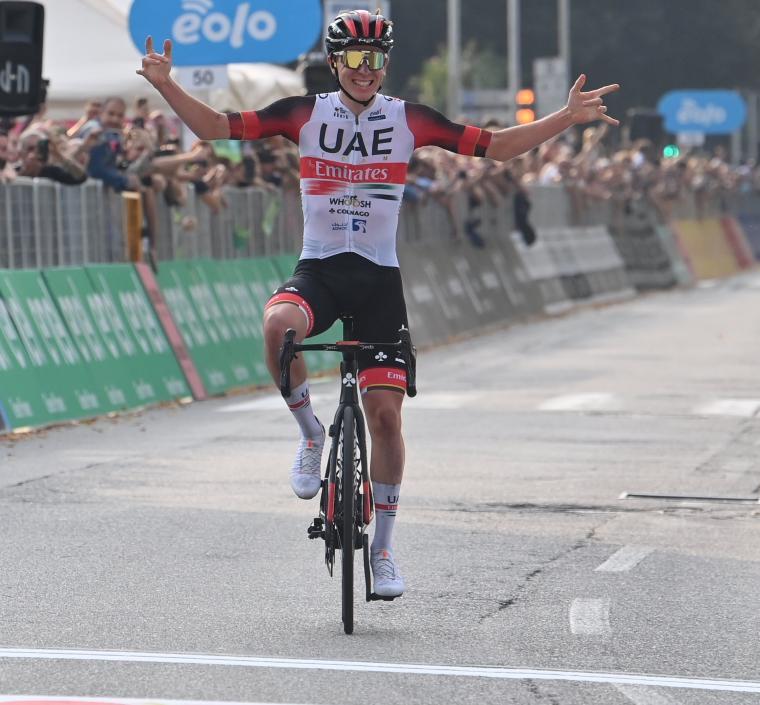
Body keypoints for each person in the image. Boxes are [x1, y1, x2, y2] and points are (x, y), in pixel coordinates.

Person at [135, 9, 619, 598]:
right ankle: (311, 435)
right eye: (356, 59)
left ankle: (384, 550)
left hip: (378, 280)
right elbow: (215, 128)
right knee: (277, 325)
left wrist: (565, 118)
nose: (366, 70)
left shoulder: (408, 118)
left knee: (386, 418)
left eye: (376, 59)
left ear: (385, 64)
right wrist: (165, 83)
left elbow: (495, 148)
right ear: (336, 61)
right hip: (320, 269)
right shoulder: (303, 113)